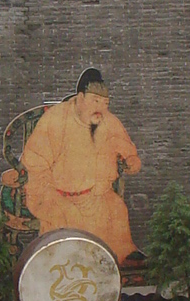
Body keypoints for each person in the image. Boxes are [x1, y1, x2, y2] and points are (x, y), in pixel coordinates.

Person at [19, 67, 142, 265]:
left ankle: (123, 256)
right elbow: (36, 160)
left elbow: (127, 148)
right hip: (59, 195)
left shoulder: (107, 121)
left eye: (105, 103)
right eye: (95, 101)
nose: (100, 108)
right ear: (81, 97)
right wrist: (47, 191)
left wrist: (132, 160)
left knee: (117, 209)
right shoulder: (56, 119)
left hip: (97, 195)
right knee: (69, 227)